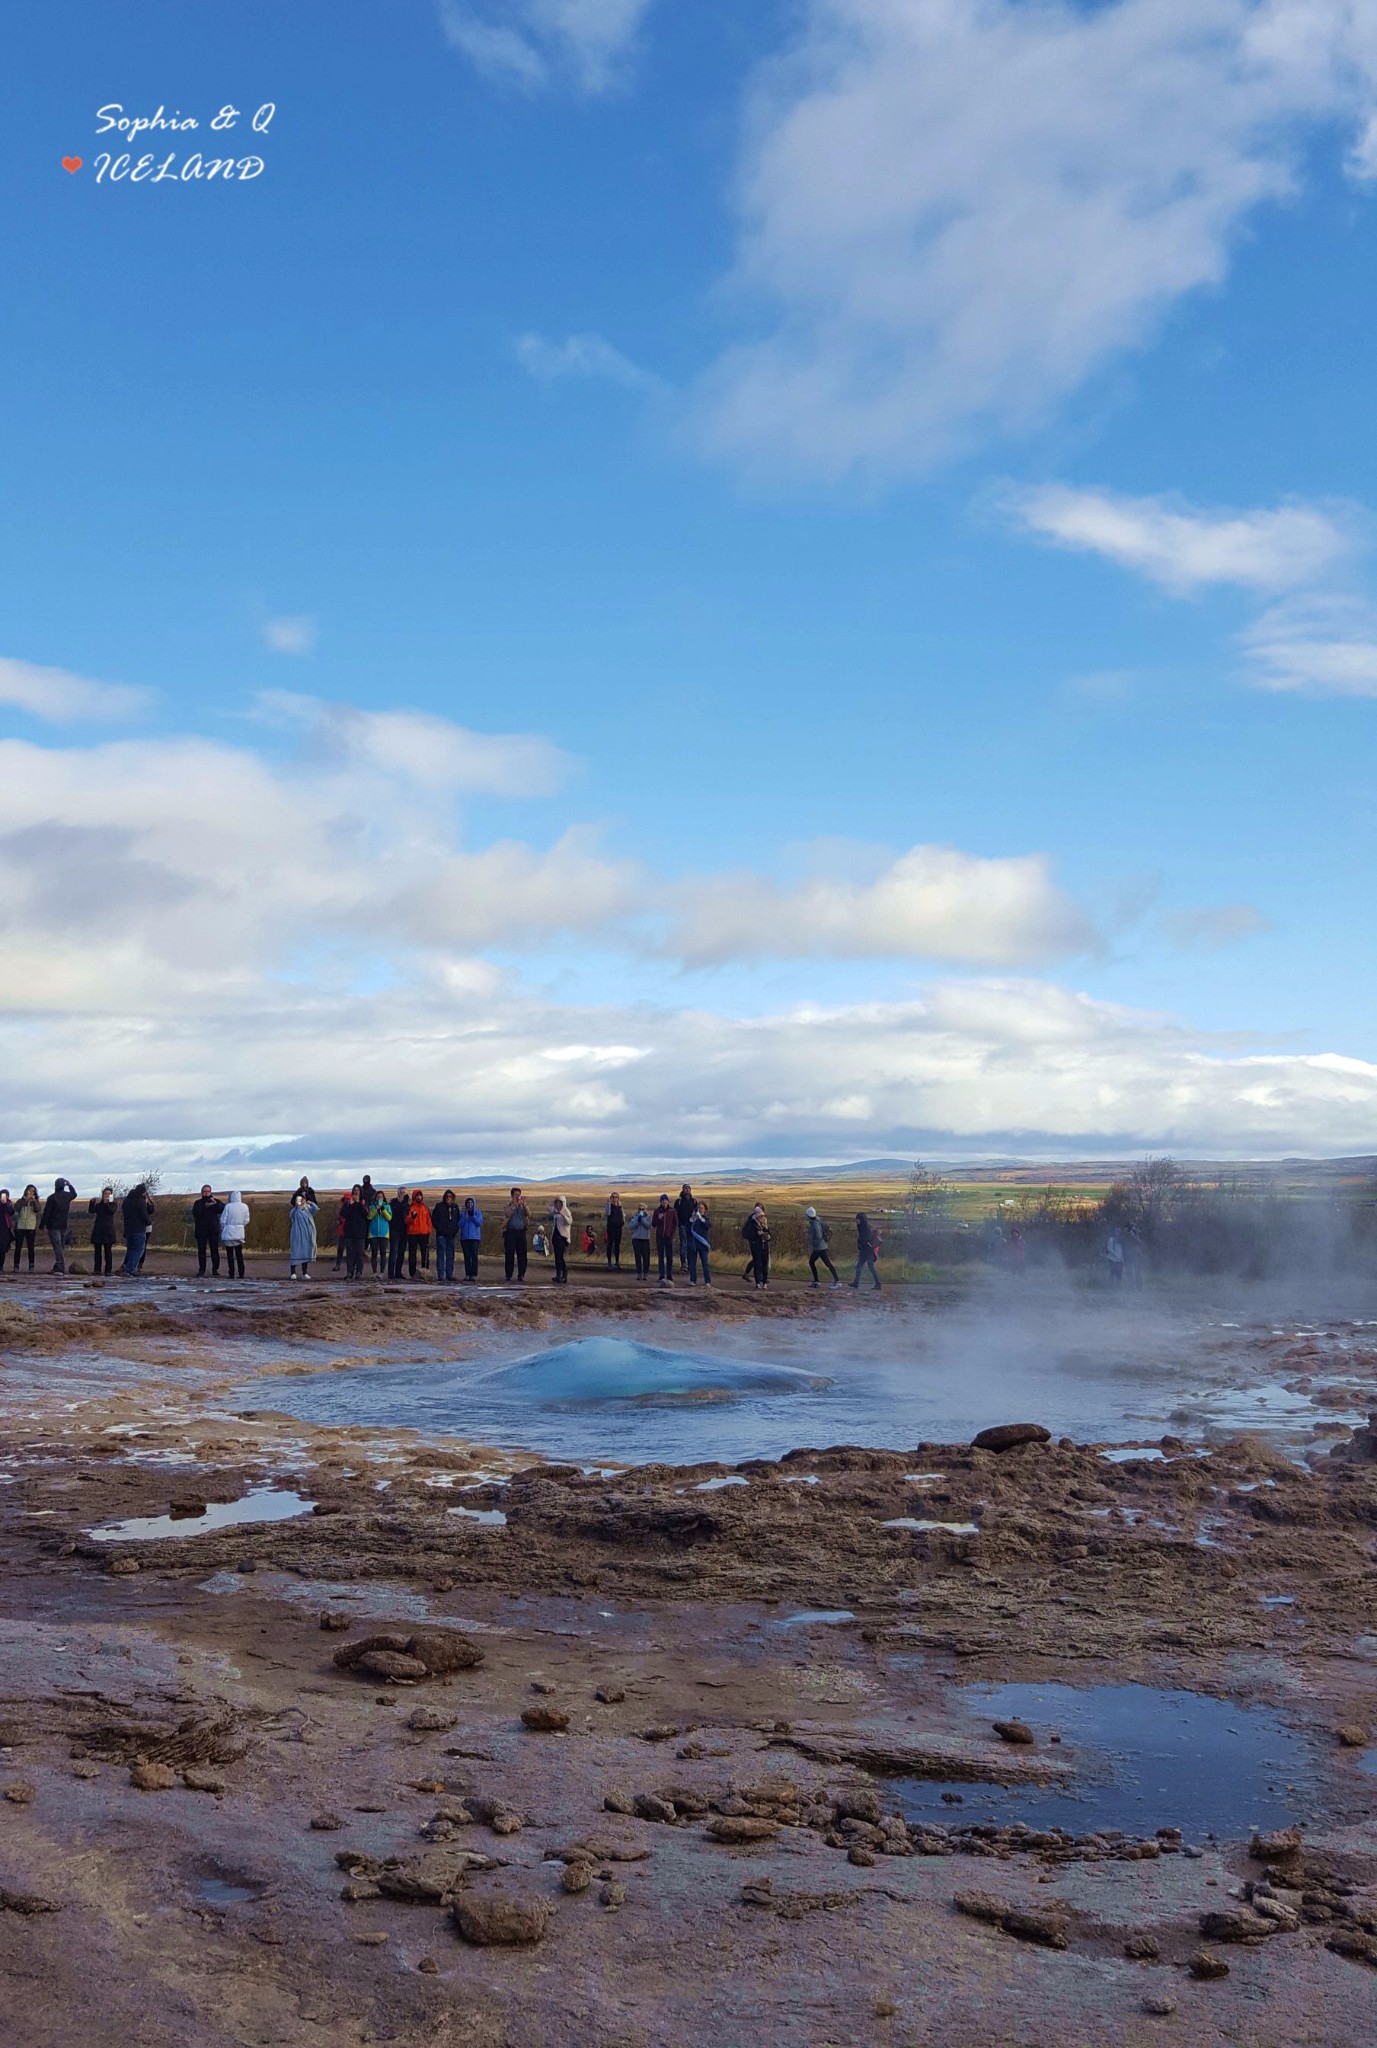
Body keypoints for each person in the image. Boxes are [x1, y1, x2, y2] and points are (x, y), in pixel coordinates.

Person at [41, 1176, 78, 1273]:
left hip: (53, 1225)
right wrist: (70, 1185)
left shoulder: (52, 1198)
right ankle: (58, 1265)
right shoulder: (67, 1196)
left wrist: (42, 1224)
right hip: (63, 1224)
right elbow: (74, 1194)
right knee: (60, 1245)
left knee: (57, 1246)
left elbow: (47, 1212)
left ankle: (60, 1266)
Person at [121, 1182, 156, 1278]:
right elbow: (144, 1215)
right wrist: (148, 1222)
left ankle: (128, 1267)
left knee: (131, 1249)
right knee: (139, 1249)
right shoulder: (140, 1201)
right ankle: (131, 1269)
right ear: (143, 1192)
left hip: (128, 1229)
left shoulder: (126, 1201)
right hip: (139, 1229)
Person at [191, 1185, 223, 1277]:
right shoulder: (198, 1203)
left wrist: (215, 1204)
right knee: (201, 1251)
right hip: (201, 1231)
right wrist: (205, 1207)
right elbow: (195, 1213)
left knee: (214, 1251)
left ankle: (215, 1270)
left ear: (211, 1192)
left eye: (208, 1191)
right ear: (202, 1192)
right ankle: (202, 1270)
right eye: (204, 1191)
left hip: (213, 1230)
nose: (206, 1193)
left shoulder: (216, 1201)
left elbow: (222, 1209)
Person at [219, 1189, 250, 1279]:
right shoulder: (245, 1206)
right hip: (239, 1233)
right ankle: (241, 1273)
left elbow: (223, 1220)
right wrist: (241, 1226)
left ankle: (231, 1273)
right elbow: (247, 1220)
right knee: (239, 1254)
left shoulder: (228, 1206)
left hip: (229, 1232)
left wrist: (224, 1227)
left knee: (230, 1255)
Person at [87, 1188, 118, 1276]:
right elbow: (91, 1211)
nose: (106, 1195)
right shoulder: (99, 1205)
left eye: (109, 1194)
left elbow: (111, 1211)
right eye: (105, 1194)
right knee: (97, 1251)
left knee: (108, 1252)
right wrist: (92, 1203)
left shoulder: (113, 1204)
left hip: (108, 1231)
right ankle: (97, 1270)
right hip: (98, 1230)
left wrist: (107, 1203)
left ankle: (108, 1270)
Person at [806, 1207, 840, 1287]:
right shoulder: (819, 1220)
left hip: (819, 1247)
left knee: (813, 1262)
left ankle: (818, 1281)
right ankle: (835, 1280)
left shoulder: (814, 1224)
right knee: (827, 1263)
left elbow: (818, 1236)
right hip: (822, 1246)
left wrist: (812, 1244)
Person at [432, 1189, 461, 1282]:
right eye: (447, 1196)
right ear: (444, 1197)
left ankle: (449, 1274)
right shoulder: (439, 1206)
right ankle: (441, 1275)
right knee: (440, 1255)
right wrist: (440, 1229)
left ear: (453, 1197)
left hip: (451, 1235)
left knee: (450, 1255)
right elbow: (434, 1220)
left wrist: (455, 1230)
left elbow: (458, 1221)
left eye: (450, 1196)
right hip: (441, 1235)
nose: (448, 1198)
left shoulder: (455, 1207)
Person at [288, 1190, 318, 1279]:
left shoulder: (308, 1209)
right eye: (299, 1199)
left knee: (305, 1253)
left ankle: (304, 1272)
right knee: (295, 1252)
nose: (300, 1201)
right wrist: (297, 1207)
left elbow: (316, 1209)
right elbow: (291, 1215)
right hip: (297, 1234)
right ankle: (293, 1272)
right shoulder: (294, 1210)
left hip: (306, 1234)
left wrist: (311, 1202)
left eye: (302, 1199)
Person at [342, 1184, 369, 1280]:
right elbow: (343, 1214)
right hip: (349, 1232)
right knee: (350, 1253)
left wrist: (358, 1203)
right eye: (355, 1190)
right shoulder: (348, 1203)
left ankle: (359, 1272)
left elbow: (366, 1215)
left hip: (360, 1232)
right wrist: (350, 1204)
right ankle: (350, 1272)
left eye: (358, 1190)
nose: (356, 1192)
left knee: (359, 1253)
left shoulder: (363, 1202)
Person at [503, 1188, 530, 1282]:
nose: (517, 1197)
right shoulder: (508, 1205)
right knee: (509, 1254)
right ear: (512, 1196)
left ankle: (521, 1274)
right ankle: (508, 1274)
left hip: (521, 1232)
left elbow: (528, 1214)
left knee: (522, 1254)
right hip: (510, 1232)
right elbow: (506, 1214)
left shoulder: (523, 1205)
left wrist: (524, 1205)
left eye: (519, 1195)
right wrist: (513, 1206)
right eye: (515, 1195)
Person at [850, 1212, 881, 1291]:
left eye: (858, 1219)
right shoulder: (863, 1227)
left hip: (868, 1251)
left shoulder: (866, 1229)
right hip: (864, 1251)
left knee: (870, 1267)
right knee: (859, 1267)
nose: (857, 1221)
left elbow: (866, 1240)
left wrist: (860, 1242)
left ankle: (878, 1284)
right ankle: (856, 1283)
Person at [406, 1188, 432, 1278]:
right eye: (417, 1196)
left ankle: (425, 1272)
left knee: (425, 1254)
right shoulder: (410, 1208)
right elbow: (406, 1221)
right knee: (412, 1254)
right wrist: (412, 1217)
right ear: (414, 1197)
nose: (419, 1197)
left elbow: (429, 1220)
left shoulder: (425, 1208)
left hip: (424, 1233)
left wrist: (429, 1230)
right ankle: (412, 1273)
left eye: (420, 1196)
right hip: (412, 1233)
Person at [742, 1203, 770, 1288]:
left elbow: (769, 1232)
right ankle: (757, 1279)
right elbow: (747, 1233)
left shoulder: (764, 1222)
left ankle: (761, 1278)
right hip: (755, 1244)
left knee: (761, 1262)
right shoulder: (751, 1221)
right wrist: (754, 1238)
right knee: (756, 1261)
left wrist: (767, 1236)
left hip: (764, 1244)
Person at [12, 1186, 39, 1271]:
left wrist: (33, 1201)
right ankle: (16, 1266)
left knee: (30, 1247)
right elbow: (16, 1208)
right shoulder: (21, 1201)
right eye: (29, 1191)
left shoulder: (35, 1201)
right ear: (26, 1191)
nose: (31, 1193)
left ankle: (31, 1265)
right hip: (21, 1226)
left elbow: (37, 1209)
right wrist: (25, 1200)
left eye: (32, 1191)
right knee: (18, 1247)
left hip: (31, 1227)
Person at [653, 1195, 677, 1284]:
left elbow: (675, 1223)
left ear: (668, 1201)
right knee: (661, 1257)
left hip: (669, 1237)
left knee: (669, 1257)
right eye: (662, 1200)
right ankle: (661, 1275)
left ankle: (669, 1275)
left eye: (665, 1200)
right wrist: (659, 1219)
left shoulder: (672, 1211)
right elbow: (653, 1224)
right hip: (660, 1237)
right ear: (660, 1201)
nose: (664, 1201)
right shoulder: (657, 1211)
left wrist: (671, 1233)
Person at [367, 1188, 392, 1275]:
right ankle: (374, 1272)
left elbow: (389, 1218)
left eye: (381, 1197)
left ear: (383, 1198)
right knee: (374, 1253)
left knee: (383, 1253)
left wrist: (383, 1210)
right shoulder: (371, 1206)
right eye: (378, 1197)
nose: (379, 1199)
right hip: (373, 1233)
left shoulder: (387, 1206)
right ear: (375, 1198)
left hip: (384, 1233)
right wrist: (375, 1209)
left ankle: (381, 1272)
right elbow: (369, 1217)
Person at [459, 1197, 484, 1282]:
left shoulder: (478, 1213)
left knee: (474, 1256)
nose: (470, 1205)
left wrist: (472, 1216)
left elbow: (479, 1223)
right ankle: (467, 1274)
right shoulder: (463, 1214)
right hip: (465, 1238)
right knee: (466, 1256)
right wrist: (465, 1217)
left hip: (475, 1238)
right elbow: (460, 1224)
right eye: (468, 1203)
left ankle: (474, 1274)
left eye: (471, 1203)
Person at [388, 1185, 410, 1280]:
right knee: (393, 1252)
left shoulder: (407, 1205)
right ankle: (390, 1273)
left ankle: (398, 1272)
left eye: (404, 1192)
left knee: (401, 1252)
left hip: (404, 1231)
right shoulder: (393, 1203)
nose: (402, 1194)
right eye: (401, 1192)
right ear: (398, 1193)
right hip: (394, 1230)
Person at [549, 1197, 573, 1284]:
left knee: (560, 1256)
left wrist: (563, 1215)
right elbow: (549, 1209)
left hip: (562, 1237)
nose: (558, 1204)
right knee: (557, 1257)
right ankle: (558, 1274)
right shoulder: (556, 1211)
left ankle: (564, 1274)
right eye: (557, 1203)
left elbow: (569, 1222)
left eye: (560, 1203)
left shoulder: (566, 1211)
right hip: (555, 1236)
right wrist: (552, 1202)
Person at [689, 1200, 712, 1285]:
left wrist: (701, 1218)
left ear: (705, 1209)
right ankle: (692, 1280)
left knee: (705, 1264)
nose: (700, 1209)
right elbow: (688, 1229)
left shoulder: (706, 1219)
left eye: (702, 1208)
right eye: (699, 1208)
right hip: (693, 1245)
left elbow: (707, 1226)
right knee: (692, 1264)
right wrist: (692, 1218)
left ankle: (707, 1281)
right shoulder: (693, 1220)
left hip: (703, 1245)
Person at [675, 1183, 696, 1277]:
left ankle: (690, 1263)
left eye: (688, 1188)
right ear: (682, 1190)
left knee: (691, 1245)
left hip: (691, 1226)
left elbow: (697, 1213)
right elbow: (675, 1214)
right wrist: (679, 1224)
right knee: (683, 1244)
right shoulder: (679, 1201)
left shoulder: (694, 1201)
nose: (687, 1190)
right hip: (683, 1225)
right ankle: (683, 1264)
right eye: (685, 1188)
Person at [629, 1203, 651, 1280]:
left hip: (645, 1239)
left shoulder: (648, 1217)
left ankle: (645, 1273)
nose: (641, 1210)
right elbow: (631, 1226)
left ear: (645, 1210)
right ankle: (639, 1273)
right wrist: (638, 1220)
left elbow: (648, 1226)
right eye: (640, 1209)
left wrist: (642, 1219)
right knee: (637, 1257)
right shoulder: (635, 1217)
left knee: (646, 1257)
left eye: (643, 1209)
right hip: (636, 1239)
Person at [605, 1192, 624, 1270]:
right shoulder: (609, 1206)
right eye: (613, 1197)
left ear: (618, 1198)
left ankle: (617, 1261)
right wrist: (609, 1204)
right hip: (611, 1228)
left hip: (618, 1228)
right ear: (610, 1198)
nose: (614, 1198)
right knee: (610, 1244)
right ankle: (609, 1262)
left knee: (617, 1245)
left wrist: (623, 1222)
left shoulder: (620, 1207)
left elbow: (623, 1215)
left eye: (616, 1197)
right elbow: (608, 1213)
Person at [0, 1189, 14, 1273]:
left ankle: (1, 1266)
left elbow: (11, 1212)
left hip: (5, 1228)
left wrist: (5, 1204)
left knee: (2, 1249)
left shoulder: (9, 1204)